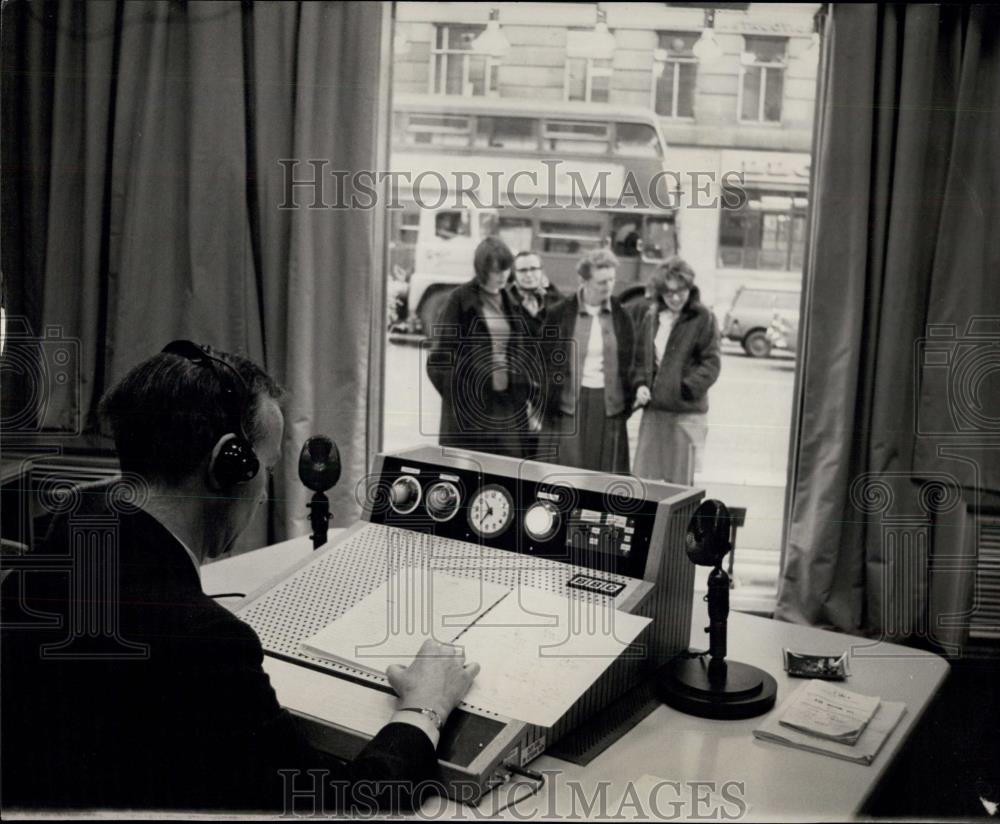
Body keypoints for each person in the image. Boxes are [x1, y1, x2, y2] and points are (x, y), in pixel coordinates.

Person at [0, 341, 479, 812]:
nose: (262, 490)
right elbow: (346, 802)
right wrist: (424, 709)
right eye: (266, 469)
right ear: (228, 465)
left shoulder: (70, 525)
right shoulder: (208, 643)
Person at [426, 236, 528, 458]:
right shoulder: (459, 300)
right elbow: (438, 360)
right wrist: (459, 397)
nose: (503, 276)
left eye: (506, 269)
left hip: (505, 405)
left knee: (505, 472)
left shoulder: (511, 301)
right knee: (468, 474)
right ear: (482, 269)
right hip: (470, 410)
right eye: (496, 270)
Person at [540, 248, 637, 473]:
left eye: (612, 280)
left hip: (608, 405)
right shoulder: (559, 313)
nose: (609, 286)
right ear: (583, 281)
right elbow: (543, 361)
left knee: (603, 473)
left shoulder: (622, 315)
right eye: (601, 282)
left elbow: (632, 360)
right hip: (569, 405)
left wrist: (634, 391)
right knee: (568, 471)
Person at [632, 257, 721, 485]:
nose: (674, 298)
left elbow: (711, 363)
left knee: (679, 484)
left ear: (689, 289)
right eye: (668, 293)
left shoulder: (703, 318)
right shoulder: (652, 317)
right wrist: (641, 384)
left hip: (685, 413)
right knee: (647, 480)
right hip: (654, 412)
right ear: (660, 293)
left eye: (680, 291)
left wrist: (685, 389)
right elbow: (642, 358)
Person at [505, 250, 563, 457]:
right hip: (516, 389)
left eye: (533, 269)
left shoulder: (556, 301)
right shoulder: (505, 304)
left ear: (541, 271)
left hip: (547, 390)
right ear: (514, 273)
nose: (529, 275)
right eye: (522, 270)